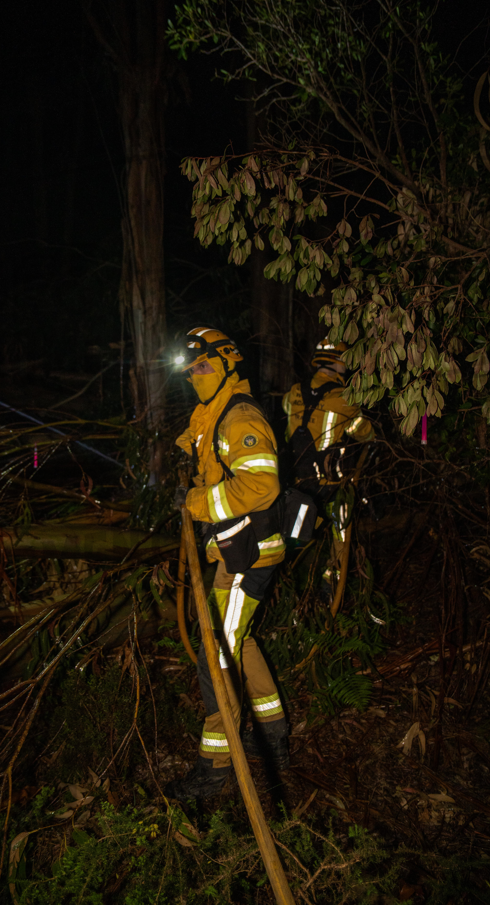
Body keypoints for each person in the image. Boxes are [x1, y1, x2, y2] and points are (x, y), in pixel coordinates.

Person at [166, 327, 288, 801]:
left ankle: (215, 766)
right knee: (239, 640)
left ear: (227, 367)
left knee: (215, 651)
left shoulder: (238, 416)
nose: (195, 375)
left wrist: (197, 502)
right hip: (236, 551)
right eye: (190, 369)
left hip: (249, 556)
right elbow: (211, 458)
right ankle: (273, 735)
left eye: (203, 366)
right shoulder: (214, 415)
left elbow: (261, 486)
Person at [282, 338, 374, 596]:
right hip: (334, 487)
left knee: (295, 537)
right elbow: (364, 433)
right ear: (338, 362)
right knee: (341, 535)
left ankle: (284, 583)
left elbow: (287, 410)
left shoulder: (293, 392)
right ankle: (330, 583)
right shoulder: (344, 399)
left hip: (300, 484)